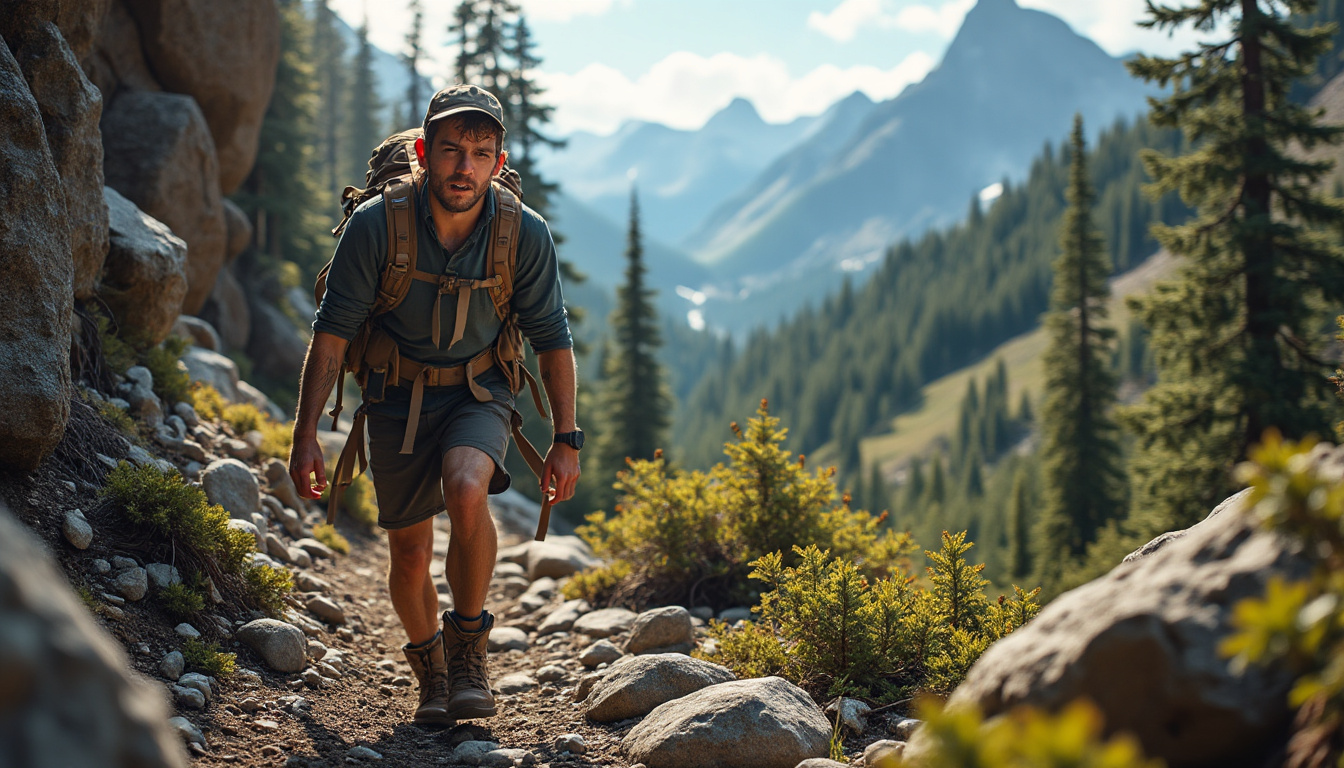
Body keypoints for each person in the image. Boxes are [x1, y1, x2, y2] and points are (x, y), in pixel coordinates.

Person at [287, 84, 582, 727]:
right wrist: (305, 432)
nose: (464, 166)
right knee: (411, 553)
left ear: (499, 163)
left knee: (467, 483)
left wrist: (567, 436)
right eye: (451, 150)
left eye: (480, 153)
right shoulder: (376, 226)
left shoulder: (521, 234)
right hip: (395, 395)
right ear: (424, 152)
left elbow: (553, 340)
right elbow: (332, 333)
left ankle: (470, 649)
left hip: (482, 389)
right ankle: (431, 671)